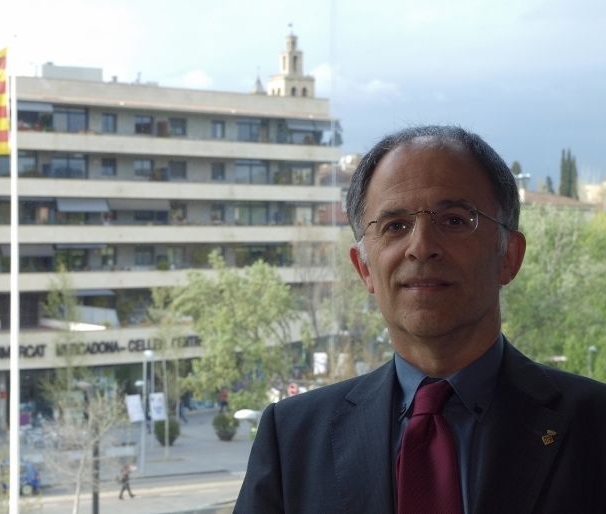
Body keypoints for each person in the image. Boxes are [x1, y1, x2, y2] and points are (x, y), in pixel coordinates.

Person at [234, 125, 606, 513]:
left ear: (509, 255)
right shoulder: (292, 437)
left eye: (455, 220)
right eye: (395, 226)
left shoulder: (595, 427)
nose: (422, 247)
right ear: (364, 268)